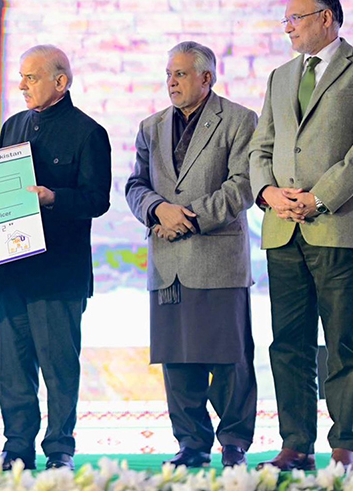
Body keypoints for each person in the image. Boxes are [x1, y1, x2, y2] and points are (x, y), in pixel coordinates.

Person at [249, 0, 353, 471]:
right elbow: (260, 147)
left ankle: (344, 445)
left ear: (326, 17)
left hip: (336, 223)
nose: (287, 27)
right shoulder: (280, 76)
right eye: (286, 19)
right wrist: (268, 194)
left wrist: (319, 197)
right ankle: (296, 446)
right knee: (287, 343)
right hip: (281, 227)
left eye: (296, 17)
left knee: (341, 341)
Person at [125, 41, 258, 468]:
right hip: (168, 262)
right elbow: (135, 185)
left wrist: (188, 218)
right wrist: (156, 210)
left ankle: (234, 444)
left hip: (218, 258)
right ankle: (192, 445)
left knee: (230, 359)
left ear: (206, 78)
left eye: (180, 74)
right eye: (168, 74)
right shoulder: (151, 126)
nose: (171, 82)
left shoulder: (239, 120)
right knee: (177, 360)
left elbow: (243, 186)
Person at [0, 45, 111, 472]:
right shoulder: (13, 126)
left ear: (60, 82)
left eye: (31, 77)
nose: (21, 85)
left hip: (60, 272)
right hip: (14, 268)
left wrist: (53, 198)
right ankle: (16, 447)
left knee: (59, 369)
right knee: (11, 369)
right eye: (21, 76)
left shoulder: (88, 132)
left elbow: (97, 200)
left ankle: (60, 450)